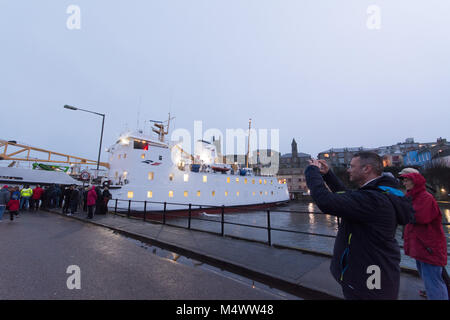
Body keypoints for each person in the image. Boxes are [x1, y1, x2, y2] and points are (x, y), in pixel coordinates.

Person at [305, 152, 413, 300]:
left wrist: (312, 171)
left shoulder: (373, 199)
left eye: (351, 166)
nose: (348, 170)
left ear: (366, 169)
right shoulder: (380, 193)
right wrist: (328, 175)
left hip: (368, 281)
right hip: (375, 272)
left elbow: (325, 201)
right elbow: (347, 195)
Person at [400, 172, 448, 300]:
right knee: (429, 279)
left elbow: (419, 218)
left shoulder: (425, 198)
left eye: (406, 180)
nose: (404, 183)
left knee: (434, 282)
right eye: (403, 181)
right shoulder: (413, 197)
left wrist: (401, 210)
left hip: (429, 247)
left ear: (414, 182)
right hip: (422, 246)